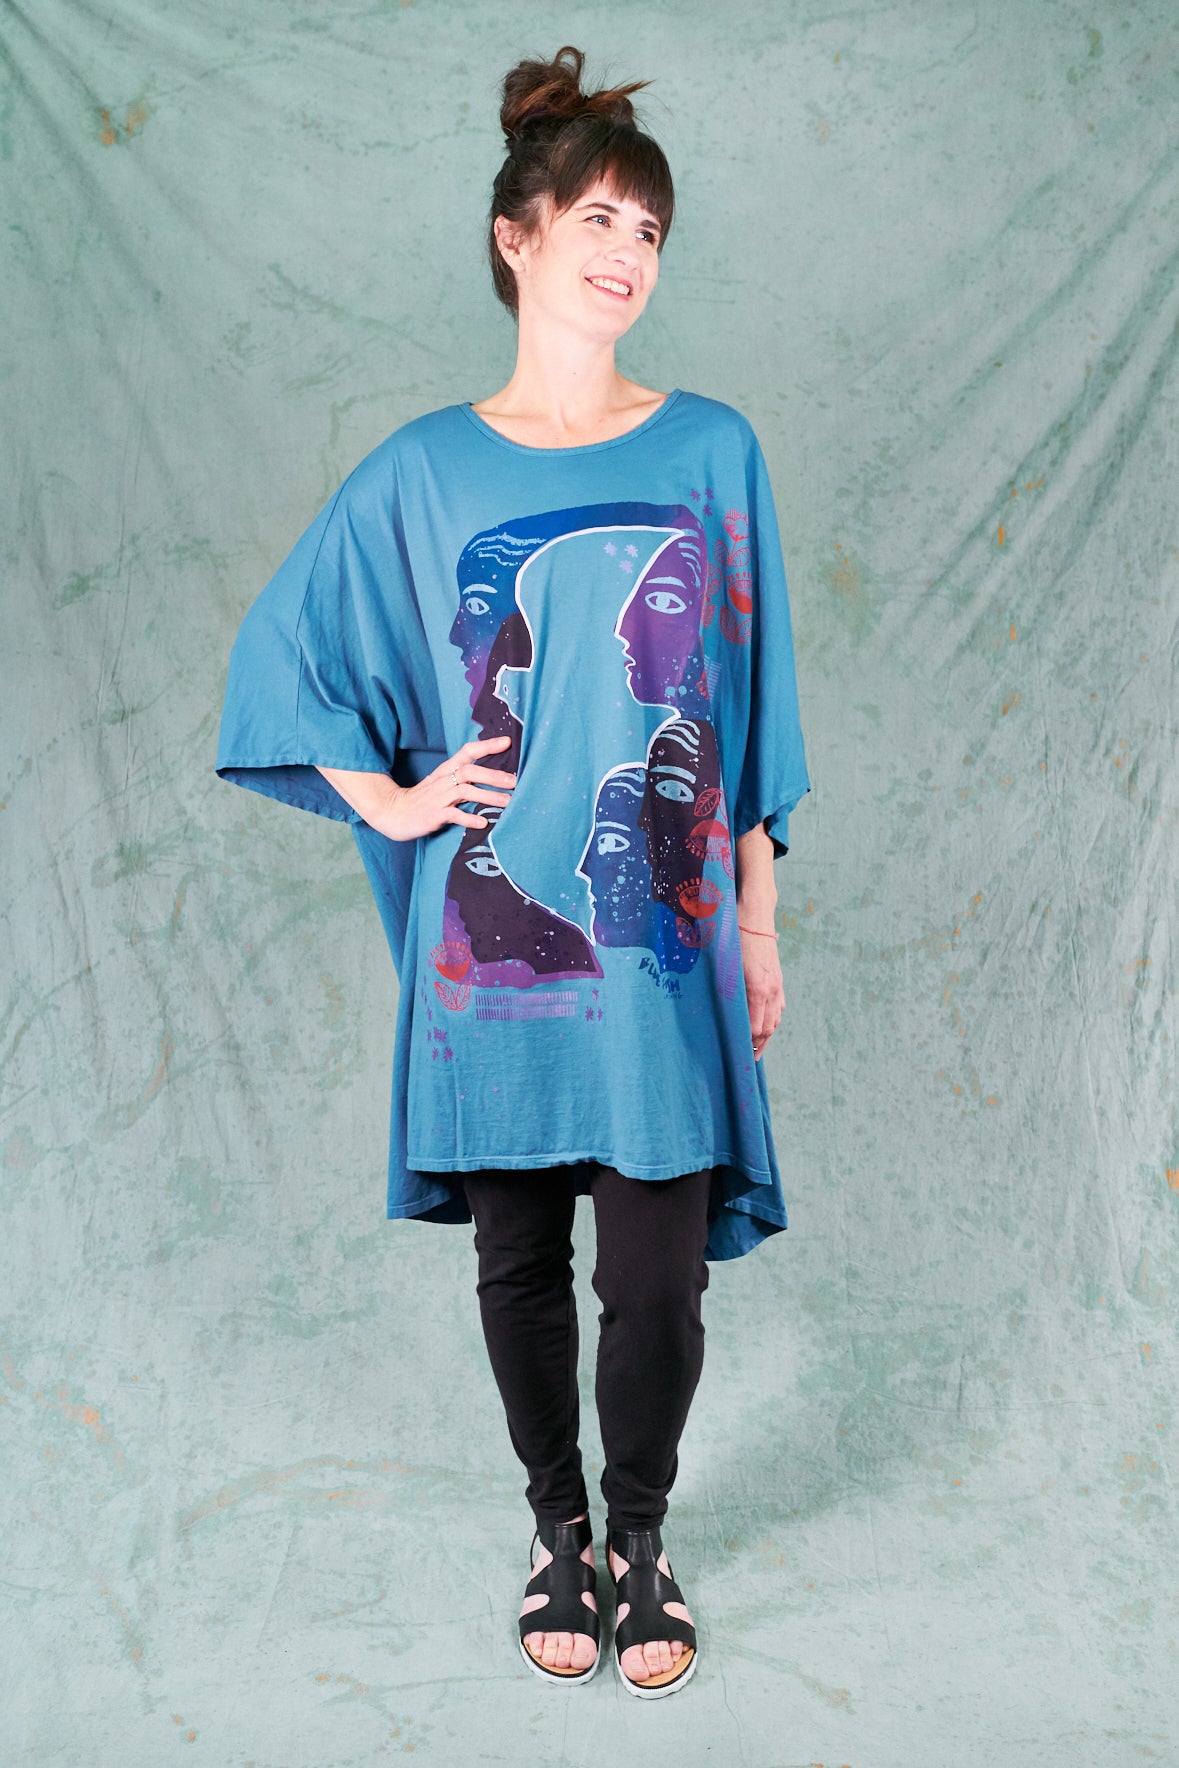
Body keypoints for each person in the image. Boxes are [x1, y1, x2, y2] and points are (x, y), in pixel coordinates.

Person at [215, 44, 810, 1700]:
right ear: (517, 236)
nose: (627, 253)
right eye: (599, 218)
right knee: (519, 1262)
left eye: (650, 231)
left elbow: (748, 708)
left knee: (657, 1281)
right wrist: (396, 801)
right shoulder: (425, 472)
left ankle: (645, 1534)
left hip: (666, 944)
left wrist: (763, 923)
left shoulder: (713, 452)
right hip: (493, 943)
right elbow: (287, 662)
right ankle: (560, 1529)